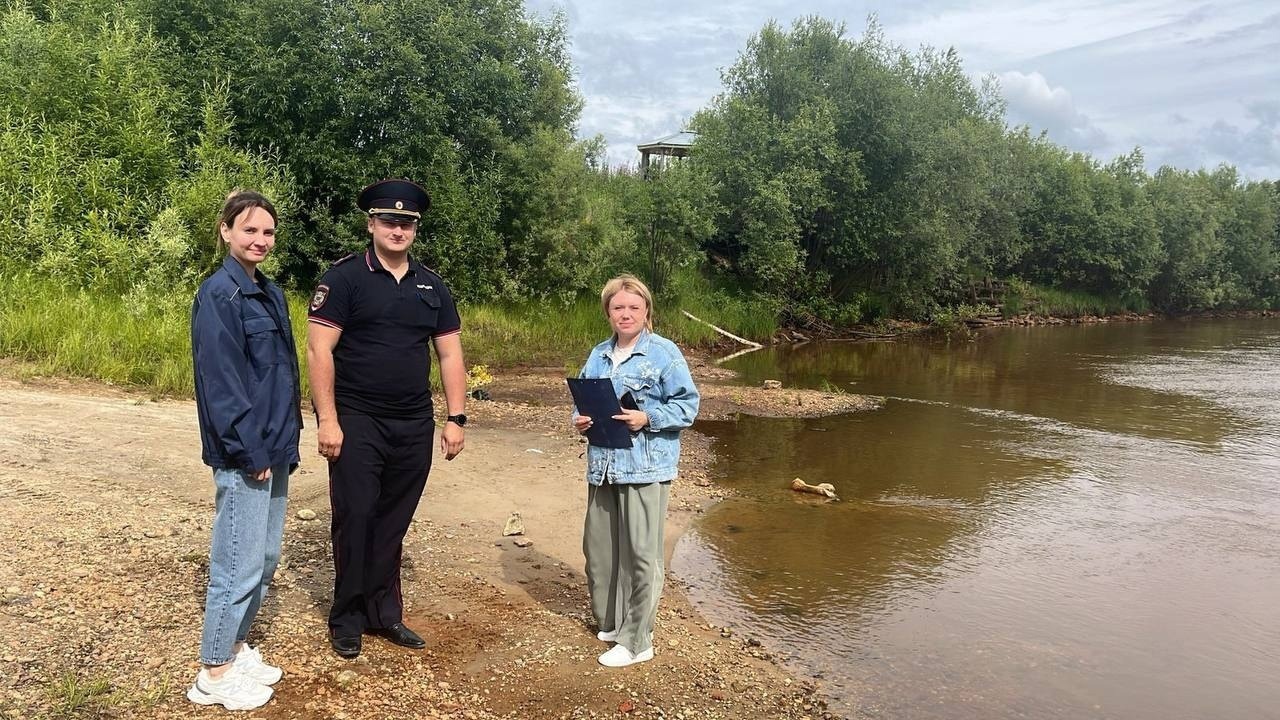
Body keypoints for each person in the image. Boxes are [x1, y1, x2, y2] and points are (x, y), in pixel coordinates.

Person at [307, 178, 467, 659]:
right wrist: (327, 420)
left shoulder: (432, 286)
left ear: (416, 228)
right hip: (357, 419)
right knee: (356, 516)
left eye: (407, 222)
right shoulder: (344, 279)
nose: (398, 229)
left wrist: (456, 417)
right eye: (389, 220)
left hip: (413, 423)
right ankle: (348, 616)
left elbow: (450, 356)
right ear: (372, 223)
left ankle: (385, 614)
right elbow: (319, 351)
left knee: (394, 519)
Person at [188, 191, 302, 710]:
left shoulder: (270, 293)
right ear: (226, 232)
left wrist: (285, 443)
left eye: (268, 232)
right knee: (236, 563)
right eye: (250, 230)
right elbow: (223, 384)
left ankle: (235, 648)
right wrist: (250, 450)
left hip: (274, 446)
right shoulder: (220, 295)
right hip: (245, 452)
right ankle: (213, 673)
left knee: (265, 556)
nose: (260, 240)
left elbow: (280, 375)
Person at [571, 274, 700, 667]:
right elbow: (582, 403)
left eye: (633, 307)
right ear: (608, 312)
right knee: (600, 550)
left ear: (646, 312)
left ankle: (638, 639)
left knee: (643, 556)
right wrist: (578, 419)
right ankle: (611, 623)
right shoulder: (598, 353)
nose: (625, 314)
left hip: (645, 467)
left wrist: (648, 417)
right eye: (617, 307)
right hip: (603, 466)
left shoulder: (664, 353)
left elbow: (688, 407)